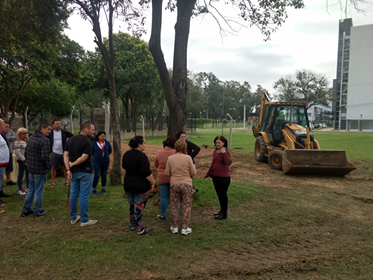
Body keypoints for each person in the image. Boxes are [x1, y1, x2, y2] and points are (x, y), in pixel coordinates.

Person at [64, 121, 97, 227]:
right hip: (85, 171)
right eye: (92, 130)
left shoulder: (70, 140)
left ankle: (73, 218)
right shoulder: (88, 142)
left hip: (73, 172)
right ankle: (84, 219)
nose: (93, 132)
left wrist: (68, 168)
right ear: (86, 129)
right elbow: (84, 157)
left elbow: (65, 155)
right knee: (83, 195)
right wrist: (72, 164)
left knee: (74, 194)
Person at [122, 135, 155, 236]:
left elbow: (124, 169)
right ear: (139, 144)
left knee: (131, 205)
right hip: (141, 186)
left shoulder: (126, 154)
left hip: (128, 184)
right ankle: (140, 228)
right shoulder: (142, 157)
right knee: (139, 207)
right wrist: (153, 182)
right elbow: (146, 173)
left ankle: (132, 224)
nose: (145, 145)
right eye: (144, 143)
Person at [165, 139, 196, 235]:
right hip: (186, 184)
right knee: (186, 206)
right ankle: (184, 227)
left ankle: (174, 227)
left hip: (174, 184)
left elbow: (167, 173)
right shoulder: (188, 158)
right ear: (185, 147)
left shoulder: (170, 158)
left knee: (174, 206)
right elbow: (193, 172)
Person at [21, 122, 52, 218]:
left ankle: (26, 209)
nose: (50, 132)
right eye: (48, 129)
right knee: (38, 190)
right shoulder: (44, 140)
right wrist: (48, 166)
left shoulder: (30, 139)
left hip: (30, 168)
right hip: (40, 169)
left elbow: (26, 154)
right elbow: (45, 157)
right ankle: (37, 210)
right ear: (42, 129)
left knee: (31, 189)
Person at [204, 135, 232, 220]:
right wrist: (208, 173)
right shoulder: (215, 152)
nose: (217, 144)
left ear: (223, 143)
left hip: (224, 177)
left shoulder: (226, 152)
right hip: (215, 177)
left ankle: (224, 213)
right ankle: (221, 211)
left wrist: (224, 153)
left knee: (223, 195)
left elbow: (228, 162)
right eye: (216, 142)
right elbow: (213, 164)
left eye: (219, 142)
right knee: (219, 195)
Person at [154, 136, 176, 221]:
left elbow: (156, 164)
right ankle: (176, 215)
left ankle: (163, 215)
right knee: (175, 197)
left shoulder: (159, 152)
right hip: (173, 177)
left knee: (164, 197)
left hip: (162, 177)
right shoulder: (176, 153)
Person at [49, 119, 74, 187]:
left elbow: (72, 136)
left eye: (59, 124)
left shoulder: (64, 132)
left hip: (63, 153)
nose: (58, 125)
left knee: (65, 167)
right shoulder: (50, 133)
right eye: (57, 124)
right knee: (53, 167)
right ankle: (53, 182)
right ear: (53, 125)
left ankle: (66, 181)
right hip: (54, 152)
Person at [92, 131, 112, 195]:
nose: (103, 137)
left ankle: (103, 188)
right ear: (98, 136)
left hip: (105, 161)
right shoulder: (94, 143)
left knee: (104, 175)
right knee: (97, 175)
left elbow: (110, 151)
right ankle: (94, 189)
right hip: (97, 161)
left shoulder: (107, 143)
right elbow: (92, 152)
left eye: (104, 136)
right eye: (102, 136)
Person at [14, 128, 29, 195]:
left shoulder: (25, 140)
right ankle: (20, 189)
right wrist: (23, 159)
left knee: (28, 174)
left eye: (26, 133)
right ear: (19, 134)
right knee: (21, 174)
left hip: (27, 160)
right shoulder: (17, 142)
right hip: (21, 160)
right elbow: (17, 152)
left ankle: (28, 187)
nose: (25, 134)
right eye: (24, 133)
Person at [0, 119, 10, 204]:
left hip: (3, 162)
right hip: (0, 162)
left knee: (0, 180)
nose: (4, 126)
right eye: (3, 124)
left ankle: (0, 192)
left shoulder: (2, 135)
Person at [4, 120, 17, 186]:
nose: (7, 128)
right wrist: (10, 137)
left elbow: (15, 136)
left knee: (9, 166)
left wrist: (9, 138)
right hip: (2, 153)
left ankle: (9, 180)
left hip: (10, 151)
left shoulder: (9, 131)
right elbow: (6, 138)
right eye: (6, 126)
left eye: (8, 126)